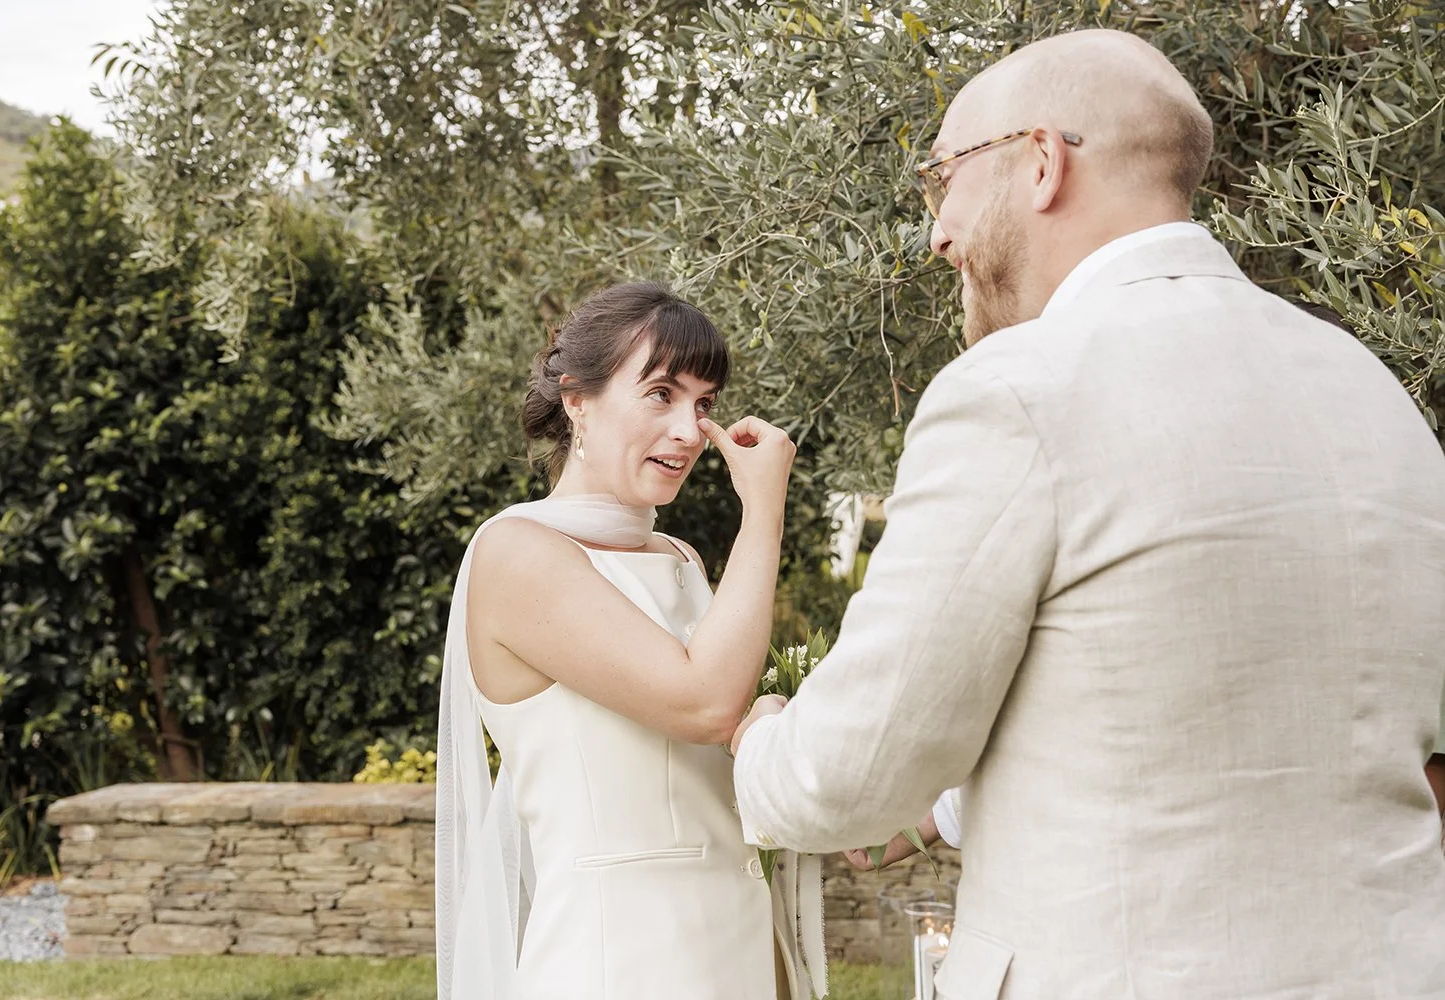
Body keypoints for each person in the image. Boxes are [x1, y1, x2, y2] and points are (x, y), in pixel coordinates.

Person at [730, 27, 1445, 999]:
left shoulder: (1018, 389)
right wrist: (954, 807)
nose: (937, 232)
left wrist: (760, 741)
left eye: (943, 177)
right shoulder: (1376, 396)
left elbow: (852, 772)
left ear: (1040, 162)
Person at [434, 281, 824, 1000]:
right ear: (577, 400)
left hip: (745, 951)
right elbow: (704, 702)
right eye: (661, 394)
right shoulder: (517, 554)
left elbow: (717, 741)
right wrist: (765, 508)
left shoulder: (682, 561)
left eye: (703, 404)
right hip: (624, 963)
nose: (688, 430)